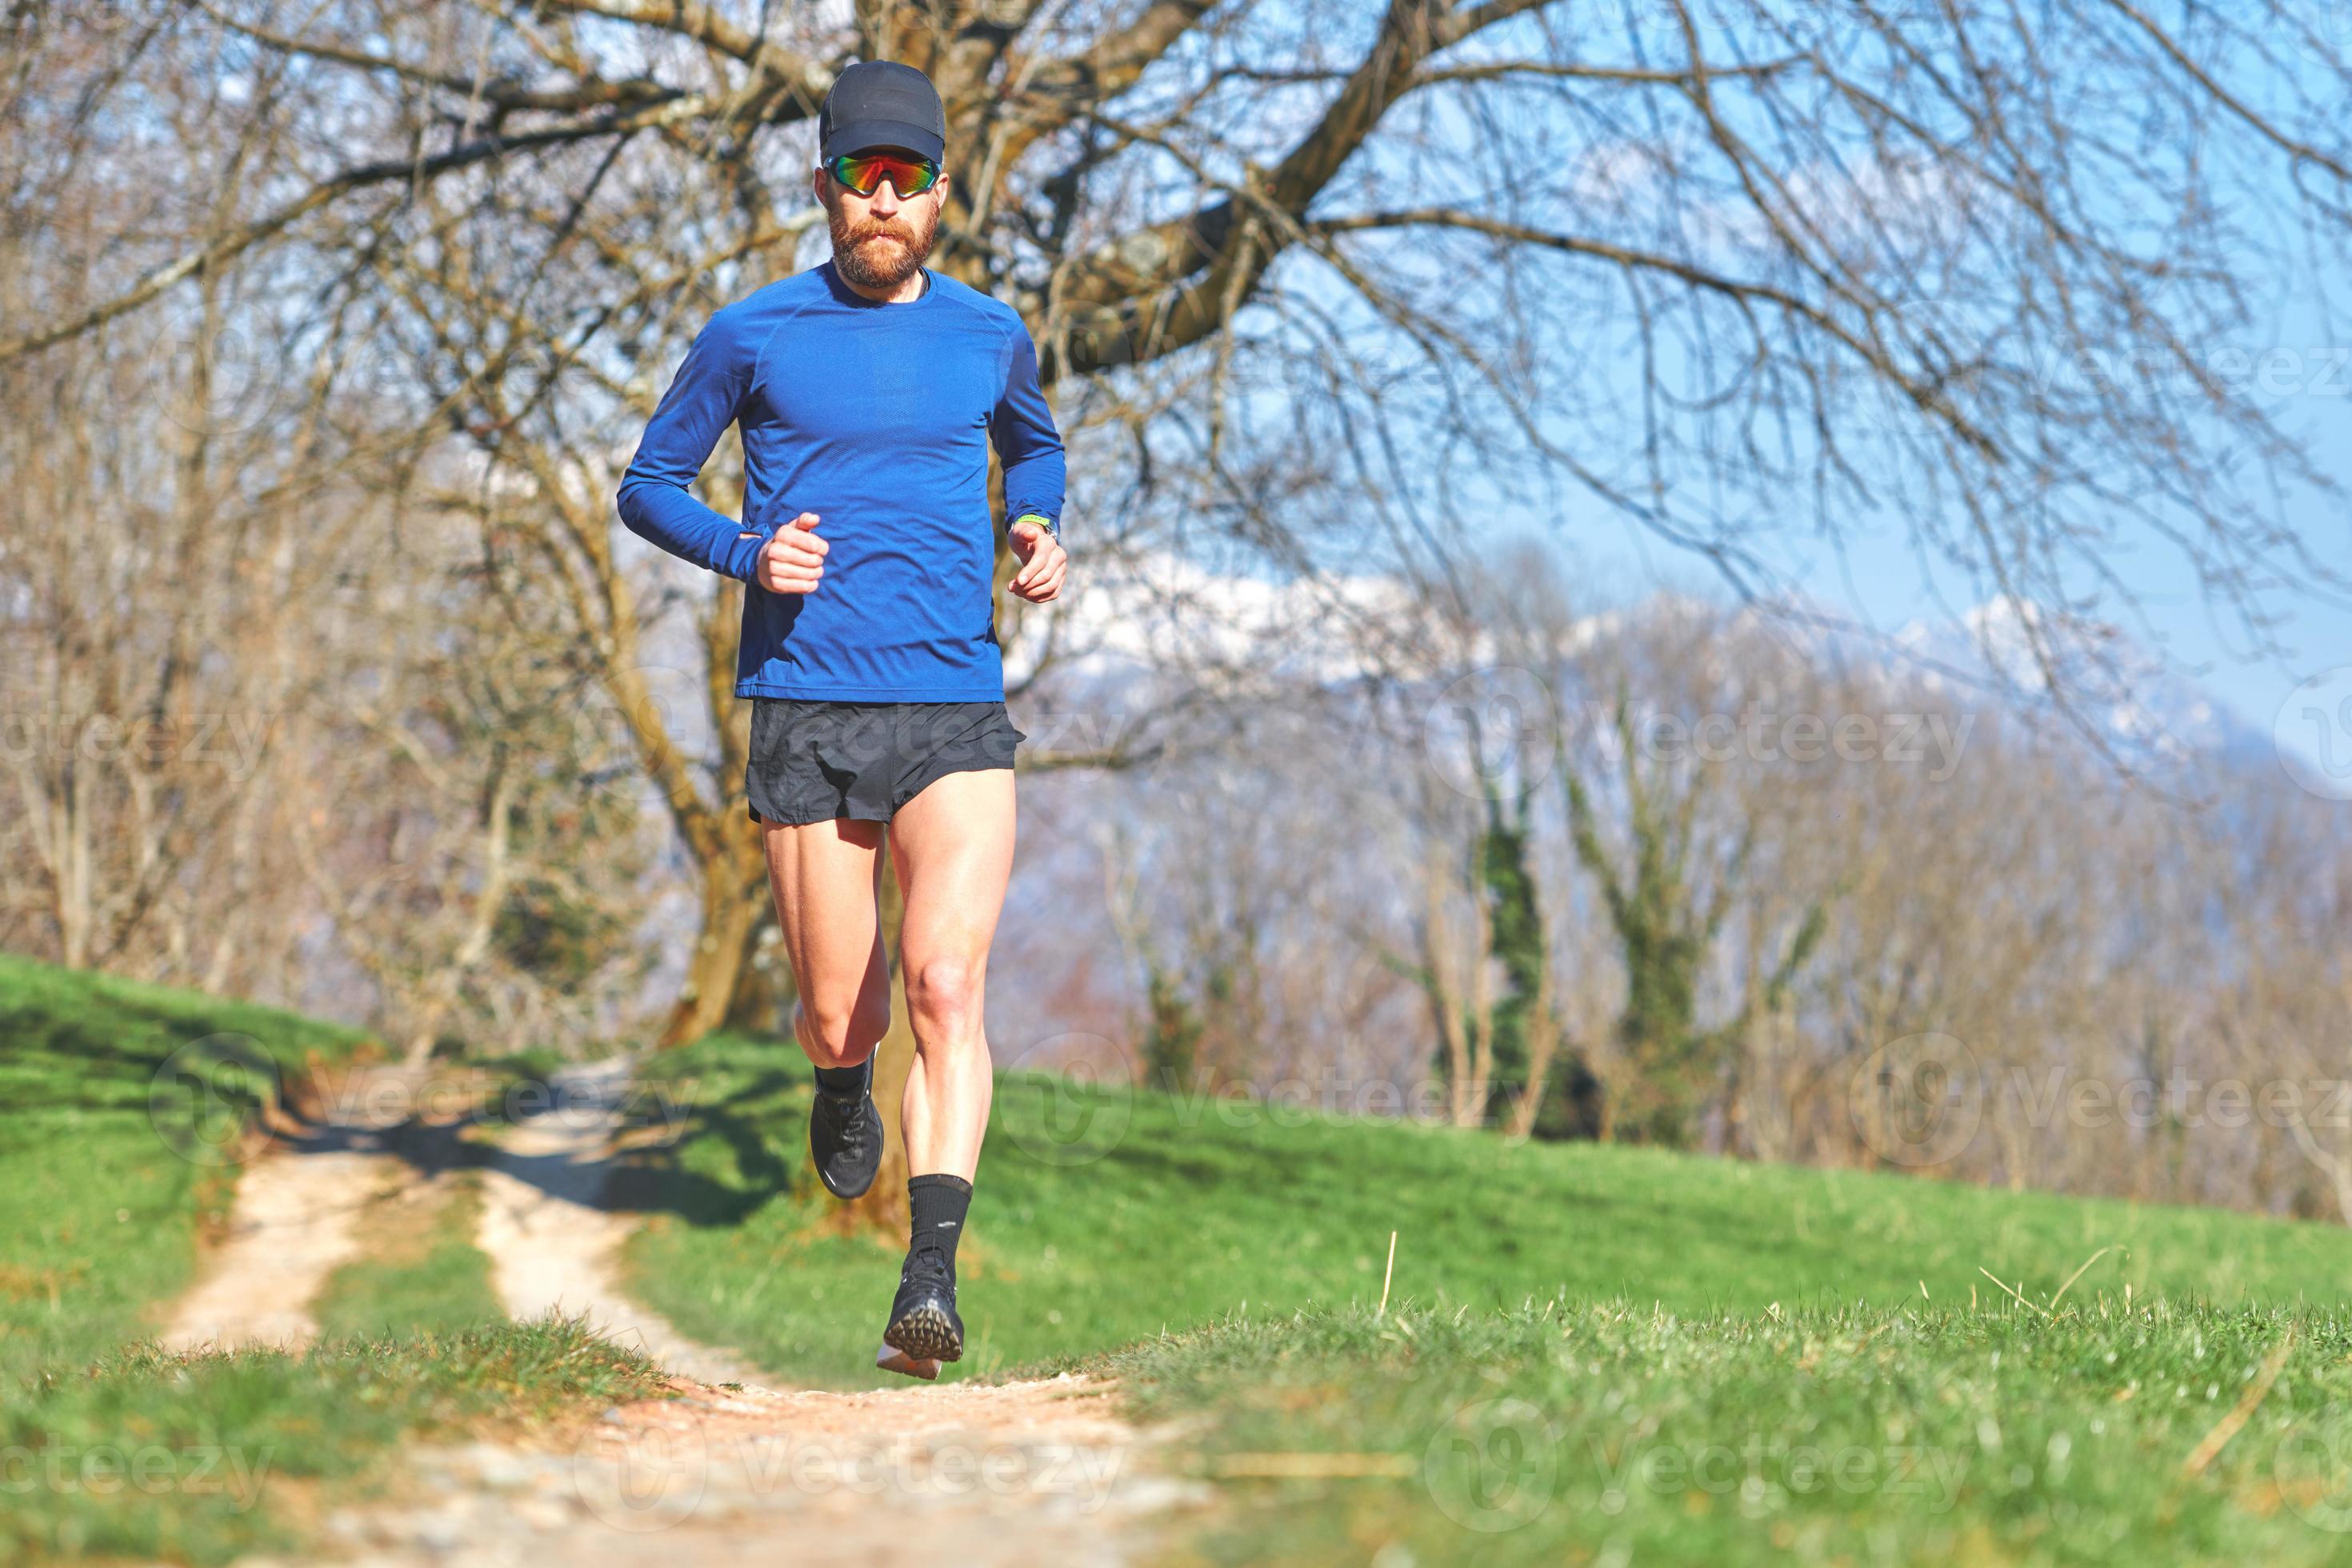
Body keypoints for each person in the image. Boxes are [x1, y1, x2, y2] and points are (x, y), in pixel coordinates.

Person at [614, 58, 1067, 1379]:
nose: (882, 204)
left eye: (906, 181)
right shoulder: (753, 332)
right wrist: (746, 553)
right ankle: (831, 1077)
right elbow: (647, 484)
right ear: (822, 189)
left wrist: (1035, 524)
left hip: (952, 704)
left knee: (947, 982)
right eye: (859, 180)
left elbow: (1032, 447)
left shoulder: (989, 333)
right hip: (805, 704)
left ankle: (930, 1276)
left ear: (940, 195)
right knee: (840, 1013)